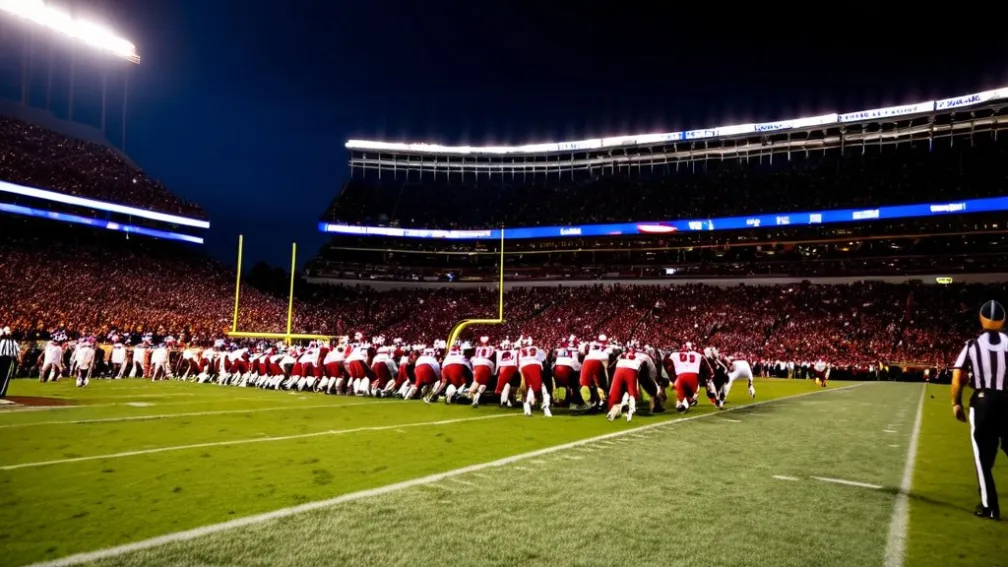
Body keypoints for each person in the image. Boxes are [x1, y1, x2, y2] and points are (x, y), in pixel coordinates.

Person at [951, 300, 1008, 521]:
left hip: (983, 401)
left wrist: (956, 402)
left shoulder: (972, 345)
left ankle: (989, 507)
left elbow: (958, 374)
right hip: (1007, 399)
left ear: (981, 319)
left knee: (982, 458)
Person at [0, 326, 20, 399]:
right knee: (5, 377)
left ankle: (2, 393)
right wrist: (19, 359)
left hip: (5, 359)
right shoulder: (12, 341)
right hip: (7, 359)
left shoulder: (4, 341)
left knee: (3, 377)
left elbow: (17, 351)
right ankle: (2, 393)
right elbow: (18, 351)